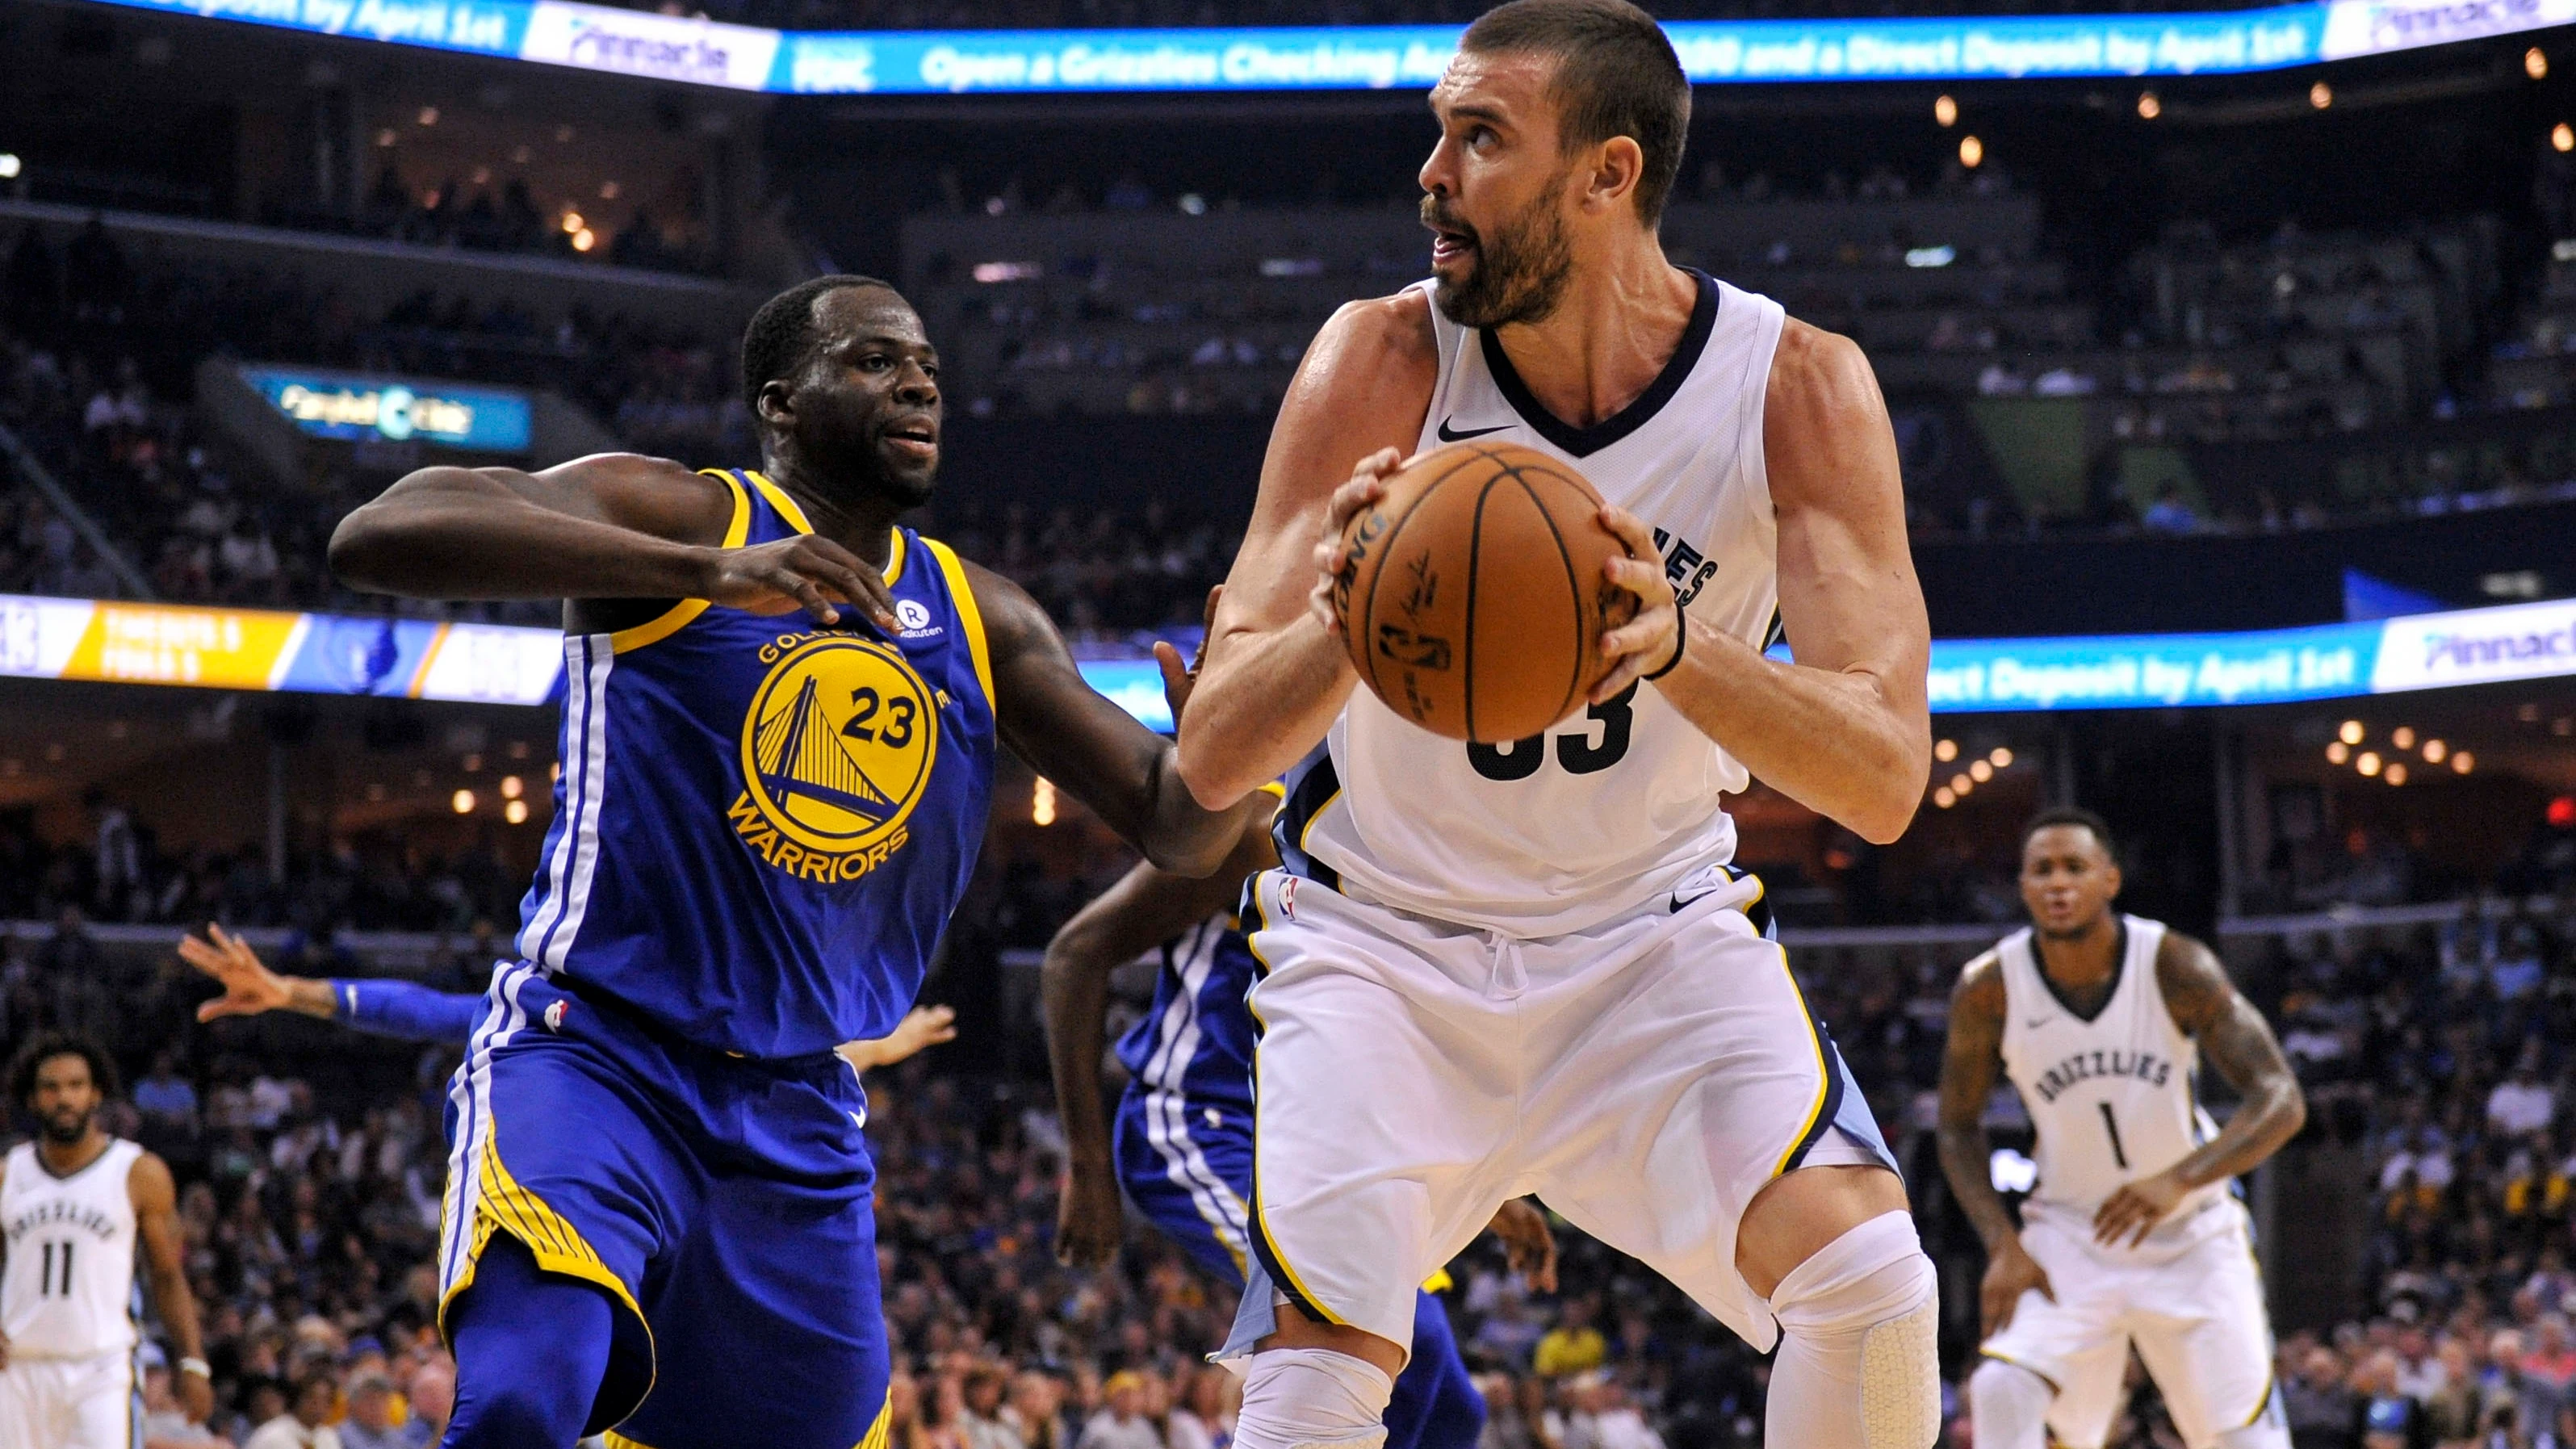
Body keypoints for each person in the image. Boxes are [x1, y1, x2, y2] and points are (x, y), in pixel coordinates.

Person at [1167, 2, 1937, 1446]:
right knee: (1318, 1379)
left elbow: (1887, 778)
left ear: (1607, 173)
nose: (1432, 173)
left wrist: (1676, 651)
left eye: (1479, 138)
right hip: (1378, 946)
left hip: (1648, 937)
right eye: (1437, 132)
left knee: (1871, 1280)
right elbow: (1210, 756)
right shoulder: (1382, 360)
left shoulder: (1792, 386)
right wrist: (1344, 623)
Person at [326, 272, 1236, 1449]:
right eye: (871, 359)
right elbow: (378, 533)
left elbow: (1177, 824)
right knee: (519, 1397)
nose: (916, 380)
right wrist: (705, 576)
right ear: (781, 404)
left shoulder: (983, 614)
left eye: (926, 367)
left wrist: (1224, 735)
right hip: (597, 1052)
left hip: (798, 1106)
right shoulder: (684, 514)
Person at [1045, 796, 1556, 1449]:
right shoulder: (1258, 827)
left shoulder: (1405, 840)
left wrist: (1493, 1194)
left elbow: (1388, 1044)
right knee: (1405, 1337)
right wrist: (1086, 1167)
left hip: (1315, 1133)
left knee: (1455, 1407)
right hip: (1203, 1125)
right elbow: (1073, 956)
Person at [1938, 809, 2310, 1449]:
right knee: (2001, 1389)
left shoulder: (2173, 963)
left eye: (2074, 867)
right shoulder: (1988, 988)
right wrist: (2001, 1240)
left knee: (2245, 1441)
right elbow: (1955, 1125)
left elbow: (2280, 1098)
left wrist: (2178, 1178)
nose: (2058, 883)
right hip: (2069, 1234)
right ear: (2022, 887)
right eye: (2041, 870)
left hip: (2190, 1232)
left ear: (2109, 880)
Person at [175, 923, 961, 1078]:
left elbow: (827, 1057)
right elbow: (428, 1011)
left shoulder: (722, 1025)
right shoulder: (571, 1015)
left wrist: (892, 1043)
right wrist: (289, 991)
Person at [0, 1036, 216, 1446]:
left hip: (102, 1369)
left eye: (76, 1085)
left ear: (96, 1093)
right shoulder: (9, 1175)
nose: (64, 1098)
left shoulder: (138, 1172)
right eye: (51, 1088)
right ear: (32, 1099)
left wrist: (193, 1362)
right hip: (17, 1368)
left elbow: (168, 1276)